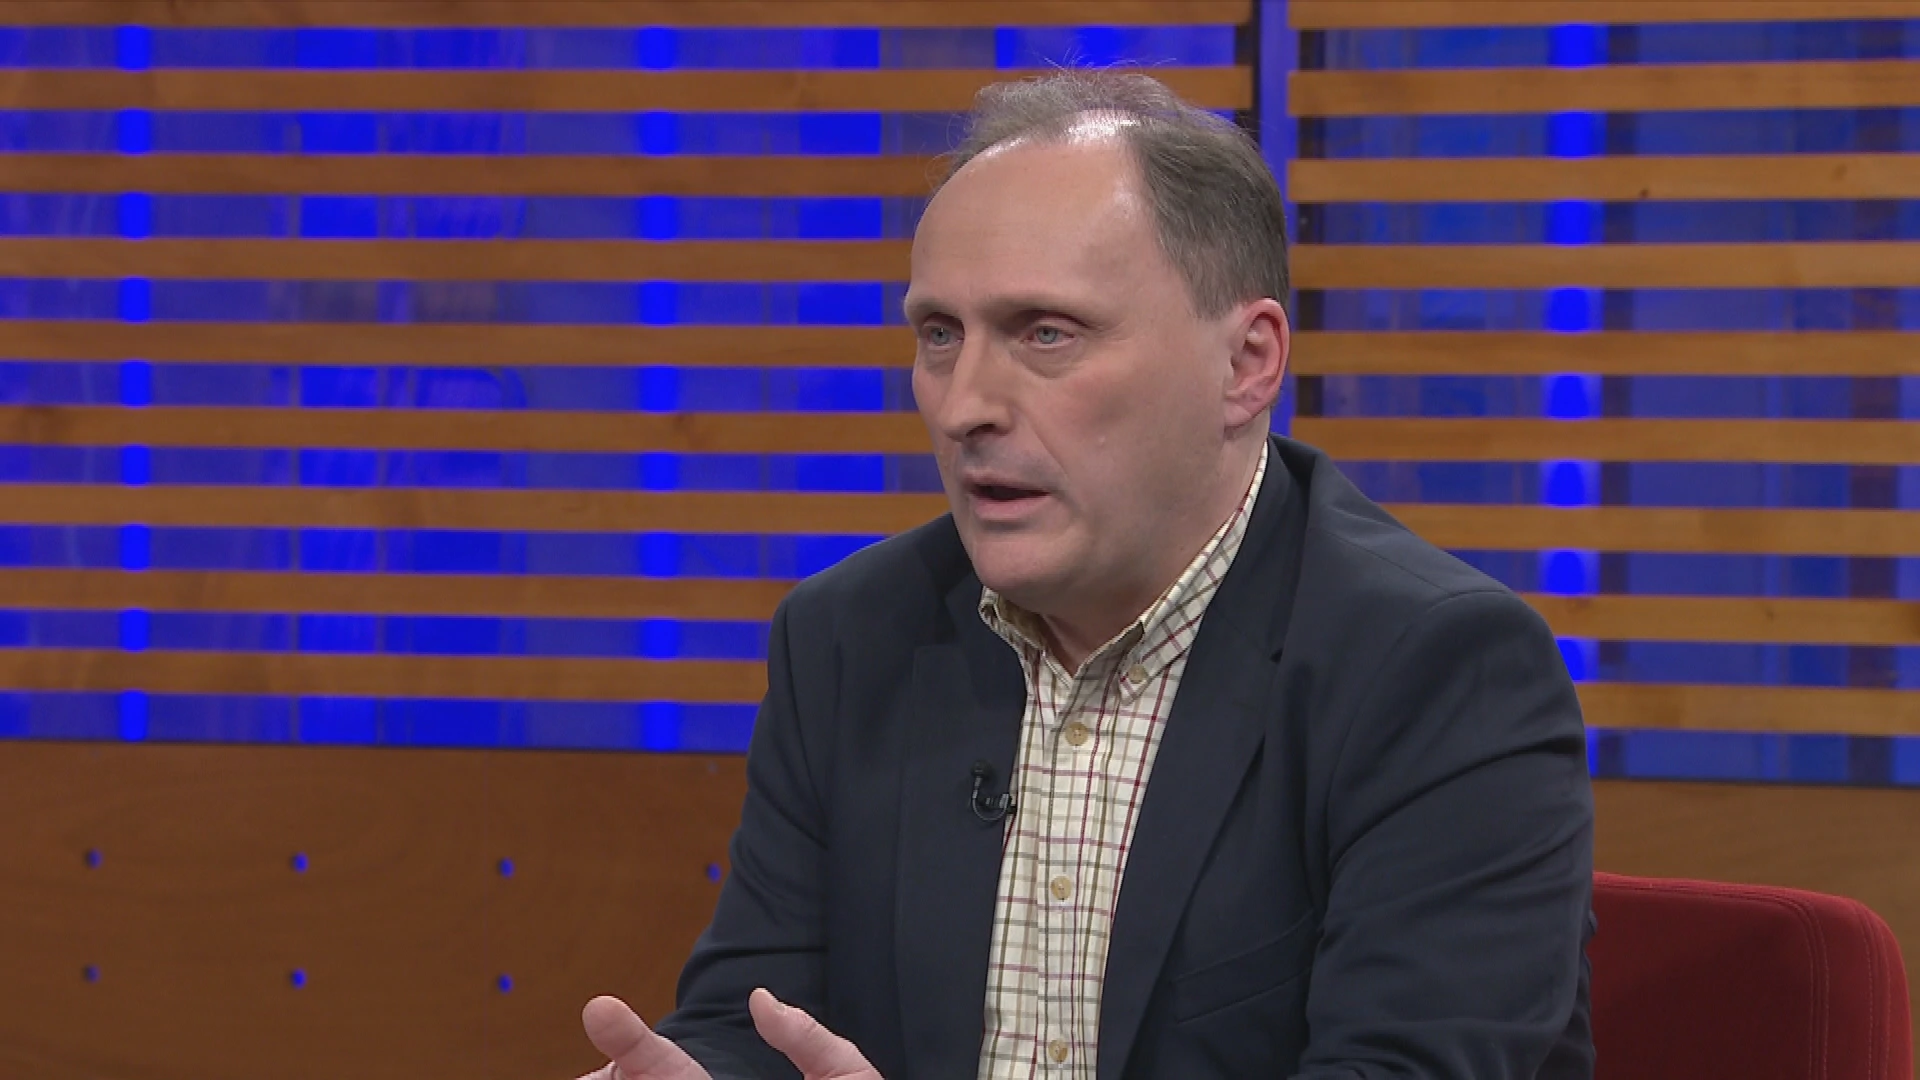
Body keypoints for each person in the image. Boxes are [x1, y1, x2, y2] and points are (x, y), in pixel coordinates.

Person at [575, 70, 1594, 1080]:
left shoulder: (1435, 669)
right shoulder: (851, 637)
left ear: (1246, 364)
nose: (965, 405)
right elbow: (754, 1023)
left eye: (1045, 333)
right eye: (940, 335)